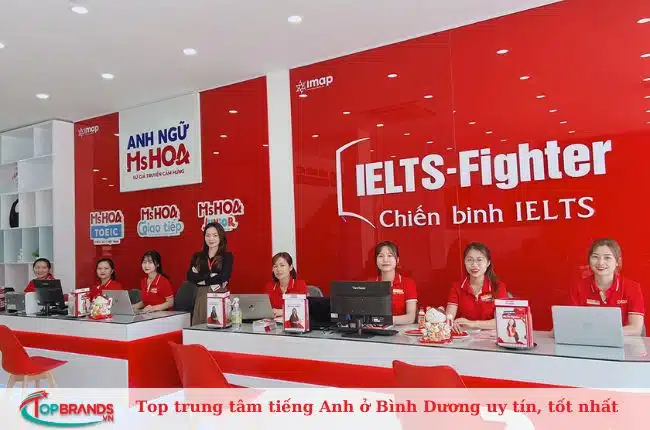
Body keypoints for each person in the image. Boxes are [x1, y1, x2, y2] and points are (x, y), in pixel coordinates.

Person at [568, 238, 645, 336]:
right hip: (589, 340)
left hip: (624, 341)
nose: (600, 263)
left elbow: (636, 328)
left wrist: (602, 333)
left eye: (607, 258)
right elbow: (570, 323)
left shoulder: (632, 288)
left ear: (617, 261)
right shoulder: (578, 287)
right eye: (595, 257)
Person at [445, 242, 508, 332]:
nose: (474, 264)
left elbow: (502, 320)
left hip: (491, 337)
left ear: (488, 263)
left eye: (479, 260)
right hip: (464, 337)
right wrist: (451, 323)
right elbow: (449, 316)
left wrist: (473, 323)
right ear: (464, 262)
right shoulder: (456, 287)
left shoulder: (498, 287)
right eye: (469, 260)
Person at [186, 222, 234, 325]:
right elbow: (190, 277)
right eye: (207, 235)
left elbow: (224, 277)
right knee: (200, 327)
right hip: (202, 296)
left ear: (221, 237)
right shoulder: (198, 256)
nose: (211, 239)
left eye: (215, 235)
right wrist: (211, 276)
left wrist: (203, 279)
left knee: (218, 325)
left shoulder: (227, 256)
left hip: (219, 295)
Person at [374, 241, 417, 325]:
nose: (385, 260)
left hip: (401, 331)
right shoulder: (370, 284)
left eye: (390, 255)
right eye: (381, 256)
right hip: (374, 330)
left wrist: (384, 320)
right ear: (376, 260)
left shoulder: (408, 283)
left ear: (397, 260)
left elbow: (411, 317)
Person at [265, 252, 307, 318]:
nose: (278, 269)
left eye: (282, 265)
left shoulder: (300, 285)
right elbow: (266, 310)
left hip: (293, 322)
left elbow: (303, 310)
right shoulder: (269, 286)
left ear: (290, 267)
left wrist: (282, 311)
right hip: (274, 322)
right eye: (275, 266)